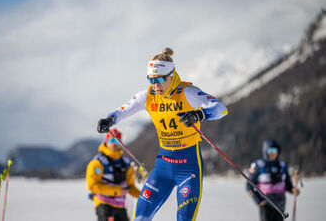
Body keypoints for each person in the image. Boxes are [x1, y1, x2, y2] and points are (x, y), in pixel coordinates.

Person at [97, 48, 228, 221]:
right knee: (140, 218)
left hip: (188, 167)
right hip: (163, 166)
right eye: (151, 80)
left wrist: (199, 114)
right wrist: (110, 119)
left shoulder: (187, 92)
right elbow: (124, 109)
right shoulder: (148, 96)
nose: (155, 85)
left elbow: (221, 108)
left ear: (171, 76)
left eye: (159, 79)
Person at [86, 128, 141, 221]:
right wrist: (117, 191)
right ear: (106, 141)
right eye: (111, 140)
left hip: (121, 206)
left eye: (117, 140)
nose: (114, 143)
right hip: (104, 204)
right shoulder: (97, 163)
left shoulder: (126, 163)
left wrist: (143, 196)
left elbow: (130, 187)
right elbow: (92, 186)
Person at [246, 139, 300, 221]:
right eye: (270, 150)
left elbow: (287, 185)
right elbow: (249, 186)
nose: (272, 153)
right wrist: (258, 200)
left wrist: (293, 190)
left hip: (280, 205)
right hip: (266, 205)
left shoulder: (282, 165)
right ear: (265, 151)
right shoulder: (258, 165)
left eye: (274, 150)